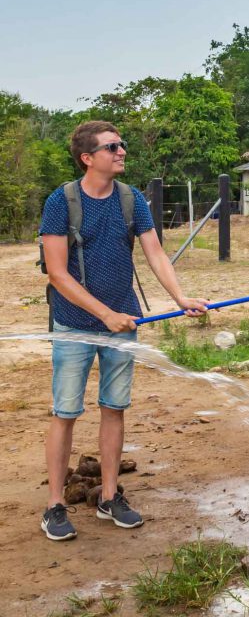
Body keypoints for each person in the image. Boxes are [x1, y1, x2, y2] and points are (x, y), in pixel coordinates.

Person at [38, 121, 209, 541]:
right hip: (74, 324)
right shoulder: (62, 201)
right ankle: (54, 505)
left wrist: (179, 297)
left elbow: (155, 253)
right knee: (66, 412)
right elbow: (58, 274)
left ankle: (109, 496)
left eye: (122, 145)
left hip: (125, 322)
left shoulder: (132, 200)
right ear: (87, 158)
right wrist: (104, 314)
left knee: (114, 407)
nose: (122, 152)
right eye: (112, 147)